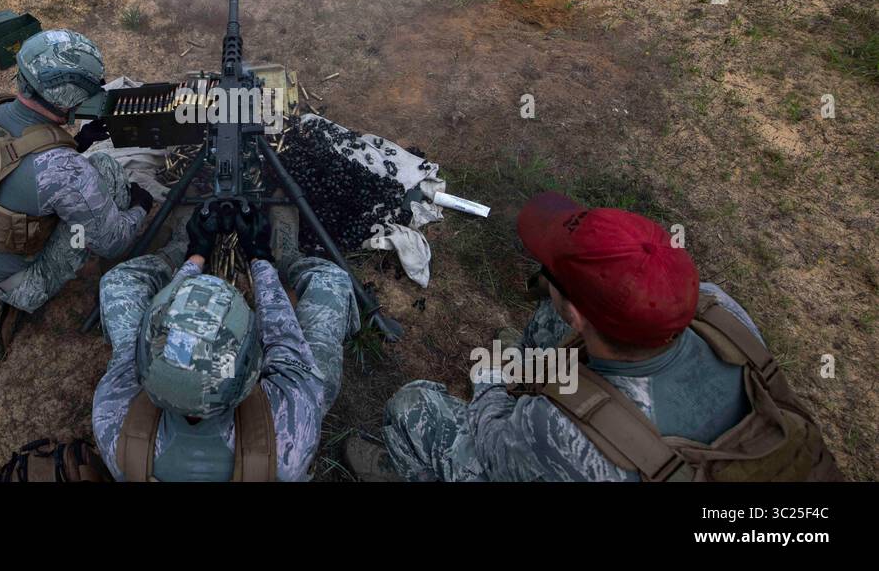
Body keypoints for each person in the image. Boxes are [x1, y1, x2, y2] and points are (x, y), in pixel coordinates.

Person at [348, 191, 842, 482]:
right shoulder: (718, 308)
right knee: (545, 328)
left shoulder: (554, 428)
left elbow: (493, 441)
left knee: (413, 406)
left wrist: (492, 382)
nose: (543, 271)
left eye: (551, 274)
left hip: (593, 448)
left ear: (580, 316)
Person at [91, 203, 359, 481]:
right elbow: (285, 343)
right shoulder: (292, 426)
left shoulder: (113, 417)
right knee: (331, 281)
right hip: (269, 433)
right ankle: (289, 256)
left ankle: (176, 249)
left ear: (144, 367)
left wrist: (195, 254)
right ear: (253, 372)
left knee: (119, 282)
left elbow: (132, 352)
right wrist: (260, 257)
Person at [0, 29, 153, 360]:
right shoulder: (63, 171)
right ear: (67, 98)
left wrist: (78, 142)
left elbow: (11, 167)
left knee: (81, 175)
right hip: (22, 283)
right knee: (105, 170)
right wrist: (141, 204)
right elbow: (114, 240)